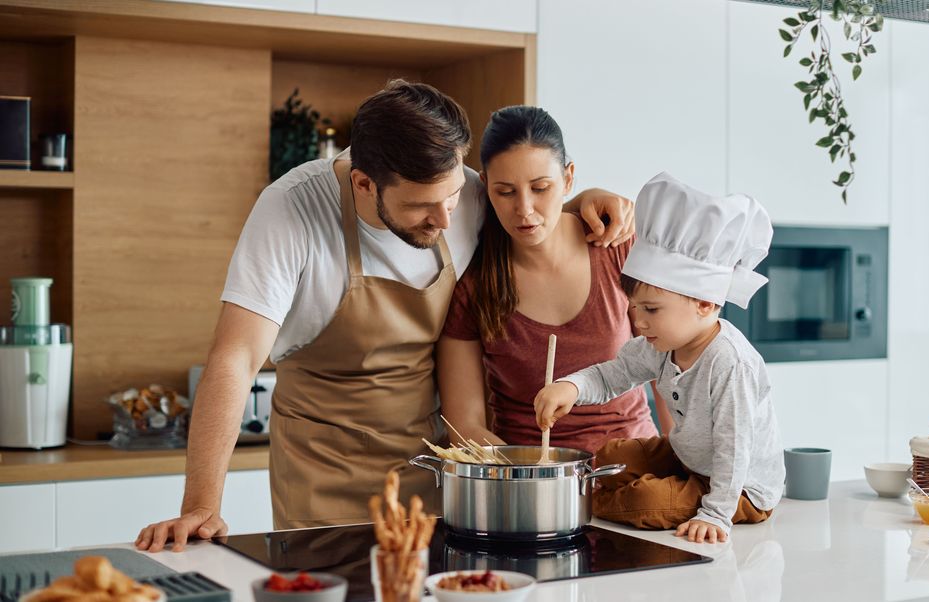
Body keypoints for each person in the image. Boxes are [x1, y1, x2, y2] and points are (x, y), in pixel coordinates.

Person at [135, 80, 635, 552]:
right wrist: (201, 505)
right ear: (363, 183)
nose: (444, 221)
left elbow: (531, 208)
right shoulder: (292, 211)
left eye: (454, 196)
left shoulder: (465, 193)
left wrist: (585, 201)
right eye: (421, 207)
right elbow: (235, 358)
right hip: (323, 478)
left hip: (433, 469)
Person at [534, 172, 785, 544]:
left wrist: (716, 514)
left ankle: (597, 502)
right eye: (634, 308)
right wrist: (571, 387)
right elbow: (614, 374)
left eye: (651, 309)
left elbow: (736, 447)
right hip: (691, 461)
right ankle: (617, 492)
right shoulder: (662, 344)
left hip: (740, 488)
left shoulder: (730, 363)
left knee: (642, 501)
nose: (638, 321)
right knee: (608, 456)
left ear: (704, 303)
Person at [437, 106, 667, 454]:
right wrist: (528, 479)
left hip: (635, 468)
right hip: (532, 478)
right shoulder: (474, 288)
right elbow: (464, 425)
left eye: (541, 187)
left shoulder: (619, 250)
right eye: (506, 192)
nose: (525, 209)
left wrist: (684, 463)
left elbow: (669, 364)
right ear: (485, 187)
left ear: (568, 179)